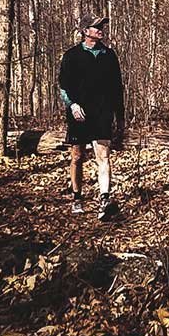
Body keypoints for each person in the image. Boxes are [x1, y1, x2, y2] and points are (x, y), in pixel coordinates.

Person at [58, 13, 125, 219]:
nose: (101, 30)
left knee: (103, 156)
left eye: (102, 27)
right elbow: (63, 86)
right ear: (85, 31)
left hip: (103, 113)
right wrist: (72, 105)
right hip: (79, 114)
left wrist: (120, 116)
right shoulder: (72, 56)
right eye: (97, 27)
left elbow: (117, 88)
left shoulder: (109, 55)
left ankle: (104, 200)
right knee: (77, 157)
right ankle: (77, 197)